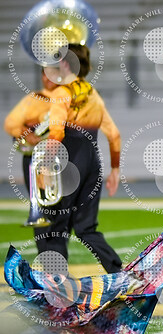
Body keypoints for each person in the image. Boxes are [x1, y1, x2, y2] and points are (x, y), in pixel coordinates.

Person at [37, 43, 122, 273]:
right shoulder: (93, 94)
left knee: (55, 226)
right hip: (93, 164)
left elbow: (57, 134)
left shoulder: (61, 93)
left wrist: (45, 167)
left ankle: (56, 281)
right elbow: (114, 134)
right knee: (86, 228)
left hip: (68, 163)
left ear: (65, 64)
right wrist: (115, 169)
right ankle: (118, 272)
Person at [4, 68, 59, 190]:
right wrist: (26, 133)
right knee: (36, 196)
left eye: (52, 75)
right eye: (45, 75)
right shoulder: (33, 99)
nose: (48, 79)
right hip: (35, 155)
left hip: (61, 154)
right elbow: (10, 122)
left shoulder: (68, 99)